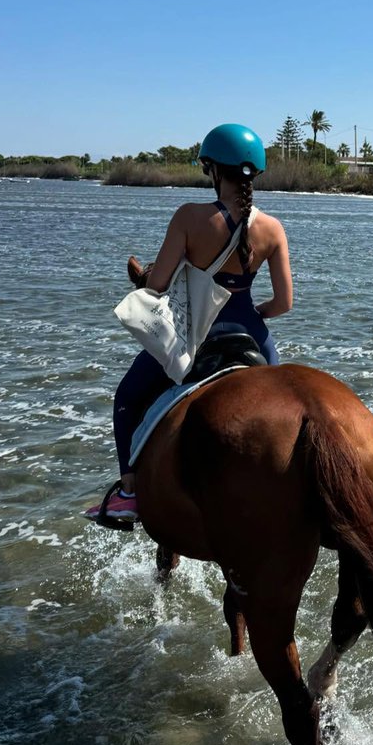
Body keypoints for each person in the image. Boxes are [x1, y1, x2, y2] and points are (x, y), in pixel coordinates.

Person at [86, 123, 293, 522]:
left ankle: (129, 494)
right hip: (252, 333)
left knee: (128, 396)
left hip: (198, 335)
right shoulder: (273, 229)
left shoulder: (189, 216)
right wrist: (252, 316)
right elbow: (284, 303)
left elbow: (158, 285)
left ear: (212, 170)